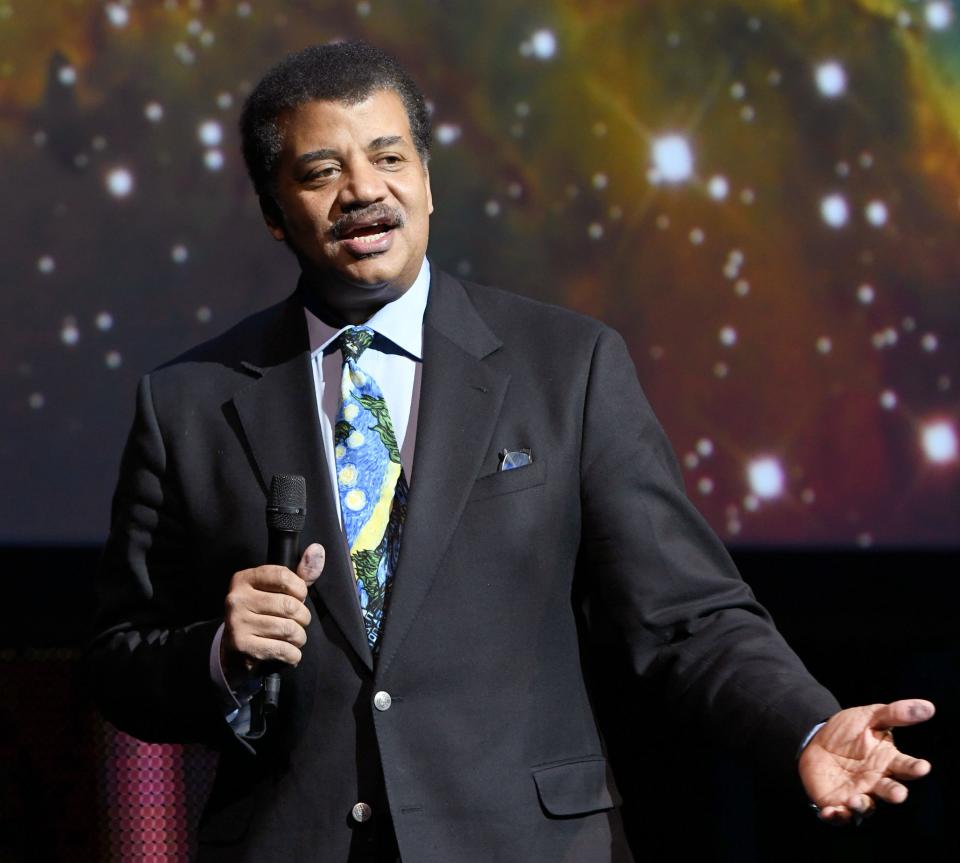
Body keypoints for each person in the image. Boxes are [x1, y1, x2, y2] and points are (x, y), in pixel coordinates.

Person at [88, 41, 934, 862]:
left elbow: (686, 613)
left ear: (428, 182)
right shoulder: (189, 403)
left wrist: (807, 723)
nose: (363, 191)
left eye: (390, 157)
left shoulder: (568, 365)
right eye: (320, 173)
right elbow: (119, 658)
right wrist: (217, 651)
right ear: (275, 213)